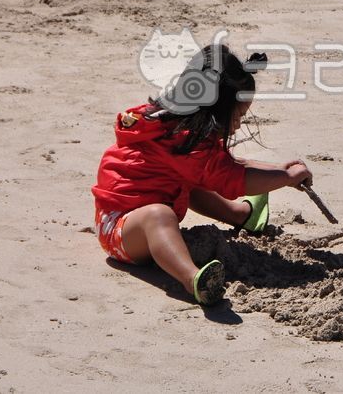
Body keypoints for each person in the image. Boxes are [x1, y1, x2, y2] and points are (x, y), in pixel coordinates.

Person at [91, 43, 313, 306]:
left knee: (190, 183)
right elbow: (233, 178)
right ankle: (193, 279)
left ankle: (241, 214)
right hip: (120, 228)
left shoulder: (177, 125)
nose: (239, 124)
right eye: (238, 115)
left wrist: (281, 171)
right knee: (159, 214)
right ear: (215, 110)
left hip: (139, 212)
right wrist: (285, 180)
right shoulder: (180, 144)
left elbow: (228, 164)